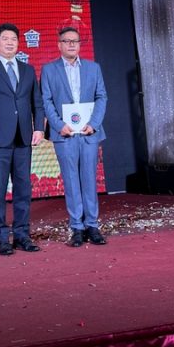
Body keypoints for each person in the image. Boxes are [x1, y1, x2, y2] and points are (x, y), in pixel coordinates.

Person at [0, 23, 45, 256]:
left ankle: (22, 235)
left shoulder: (27, 70)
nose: (10, 42)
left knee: (23, 190)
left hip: (23, 138)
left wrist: (39, 128)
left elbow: (37, 103)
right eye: (5, 38)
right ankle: (1, 237)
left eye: (14, 38)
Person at [41, 26, 108, 247]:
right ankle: (77, 227)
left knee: (89, 178)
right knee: (71, 180)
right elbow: (46, 101)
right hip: (65, 134)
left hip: (89, 132)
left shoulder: (93, 68)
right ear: (59, 44)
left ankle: (92, 225)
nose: (71, 44)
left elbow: (101, 97)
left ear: (80, 45)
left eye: (75, 41)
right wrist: (59, 125)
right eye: (67, 41)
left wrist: (94, 124)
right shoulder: (49, 70)